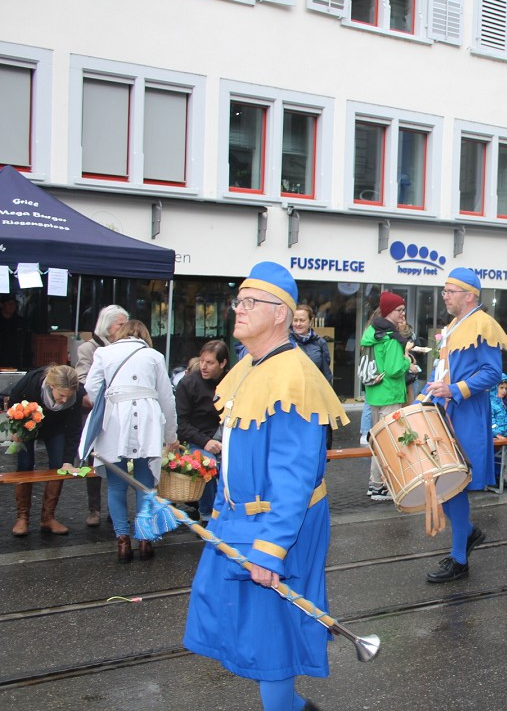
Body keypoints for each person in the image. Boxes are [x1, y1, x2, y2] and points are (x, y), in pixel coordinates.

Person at [184, 261, 347, 711]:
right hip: (243, 518)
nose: (239, 309)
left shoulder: (293, 376)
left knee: (270, 638)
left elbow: (295, 475)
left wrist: (271, 547)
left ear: (280, 314)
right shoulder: (250, 366)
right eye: (239, 300)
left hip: (278, 524)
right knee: (251, 630)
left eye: (251, 302)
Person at [418, 268, 507, 583]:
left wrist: (455, 390)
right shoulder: (455, 325)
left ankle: (459, 558)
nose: (445, 295)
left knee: (453, 483)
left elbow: (492, 373)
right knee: (445, 482)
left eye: (450, 291)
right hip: (446, 412)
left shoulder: (483, 326)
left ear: (470, 295)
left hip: (466, 414)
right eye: (444, 291)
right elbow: (441, 370)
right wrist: (422, 398)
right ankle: (466, 535)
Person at [81, 320, 178, 561]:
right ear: (144, 335)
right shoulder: (154, 355)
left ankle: (123, 542)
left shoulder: (103, 352)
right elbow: (167, 398)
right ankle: (145, 539)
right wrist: (171, 436)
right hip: (148, 420)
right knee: (146, 485)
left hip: (115, 420)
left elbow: (91, 391)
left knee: (116, 485)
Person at [8, 365, 85, 536]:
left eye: (68, 396)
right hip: (27, 424)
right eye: (61, 395)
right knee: (25, 464)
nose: (65, 400)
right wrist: (15, 429)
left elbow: (74, 429)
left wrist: (68, 459)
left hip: (55, 428)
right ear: (52, 386)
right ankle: (22, 517)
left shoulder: (76, 395)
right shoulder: (32, 382)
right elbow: (13, 399)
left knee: (58, 466)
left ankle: (48, 517)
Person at [75, 304, 129, 527]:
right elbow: (82, 378)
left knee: (118, 462)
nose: (125, 328)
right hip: (97, 412)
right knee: (94, 460)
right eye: (121, 324)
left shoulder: (127, 347)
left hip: (120, 413)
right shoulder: (89, 348)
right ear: (108, 326)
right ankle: (94, 508)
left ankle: (113, 508)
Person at [359, 292, 411, 502]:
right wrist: (408, 361)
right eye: (399, 310)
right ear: (389, 310)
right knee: (388, 443)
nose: (402, 314)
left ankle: (376, 484)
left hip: (374, 393)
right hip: (389, 394)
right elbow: (394, 369)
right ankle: (378, 485)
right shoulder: (391, 337)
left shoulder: (372, 332)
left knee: (379, 442)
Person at [175, 340, 228, 522]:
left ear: (222, 363)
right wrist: (205, 442)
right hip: (198, 440)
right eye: (202, 361)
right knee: (207, 464)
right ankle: (207, 515)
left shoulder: (232, 382)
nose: (203, 366)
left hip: (228, 438)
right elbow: (181, 424)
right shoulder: (188, 384)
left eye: (210, 363)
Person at [291, 303, 334, 449]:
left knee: (314, 442)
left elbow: (325, 373)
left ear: (310, 321)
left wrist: (328, 398)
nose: (298, 324)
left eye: (302, 320)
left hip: (315, 399)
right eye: (295, 320)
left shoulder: (320, 343)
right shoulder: (286, 343)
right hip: (293, 400)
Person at [490, 374, 507, 487]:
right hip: (495, 437)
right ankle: (493, 479)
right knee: (494, 459)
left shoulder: (506, 402)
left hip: (505, 436)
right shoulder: (490, 403)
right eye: (501, 388)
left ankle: (499, 478)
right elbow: (490, 421)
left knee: (501, 459)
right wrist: (496, 433)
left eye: (506, 388)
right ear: (494, 387)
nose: (504, 391)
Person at [0, 296, 31, 369]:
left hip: (16, 360)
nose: (12, 306)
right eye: (9, 303)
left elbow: (26, 343)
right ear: (2, 305)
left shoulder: (21, 322)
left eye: (13, 303)